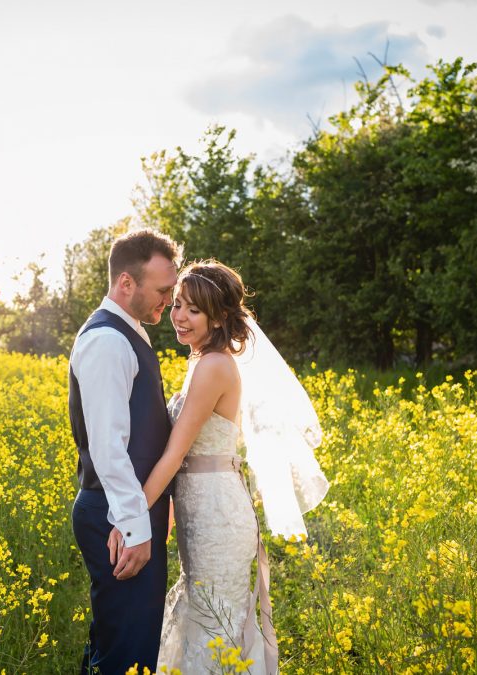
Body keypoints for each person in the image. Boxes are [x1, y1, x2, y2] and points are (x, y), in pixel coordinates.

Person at [108, 260, 330, 674]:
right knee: (205, 617)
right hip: (202, 510)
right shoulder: (201, 360)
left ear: (219, 316)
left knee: (214, 626)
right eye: (176, 304)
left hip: (219, 517)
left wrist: (130, 517)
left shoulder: (213, 366)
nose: (179, 317)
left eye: (193, 309)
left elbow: (175, 454)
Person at [68, 228, 181, 675]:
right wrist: (133, 526)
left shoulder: (129, 333)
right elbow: (108, 449)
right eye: (163, 290)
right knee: (126, 652)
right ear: (126, 283)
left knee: (125, 636)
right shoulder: (107, 341)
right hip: (116, 513)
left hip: (130, 507)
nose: (169, 302)